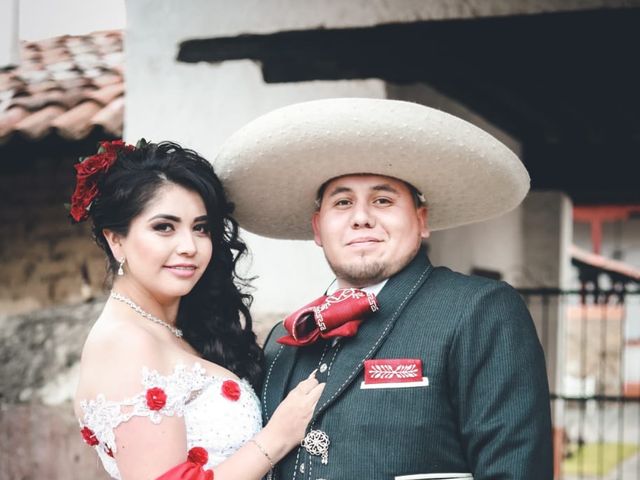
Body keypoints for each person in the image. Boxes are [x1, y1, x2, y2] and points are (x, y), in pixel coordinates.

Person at [215, 98, 554, 479]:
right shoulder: (284, 340)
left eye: (383, 200)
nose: (361, 218)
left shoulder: (480, 310)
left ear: (422, 220)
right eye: (342, 202)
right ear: (317, 228)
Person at [71, 140, 325, 480]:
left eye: (200, 228)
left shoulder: (170, 329)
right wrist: (277, 438)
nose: (189, 247)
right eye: (164, 227)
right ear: (117, 241)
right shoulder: (124, 343)